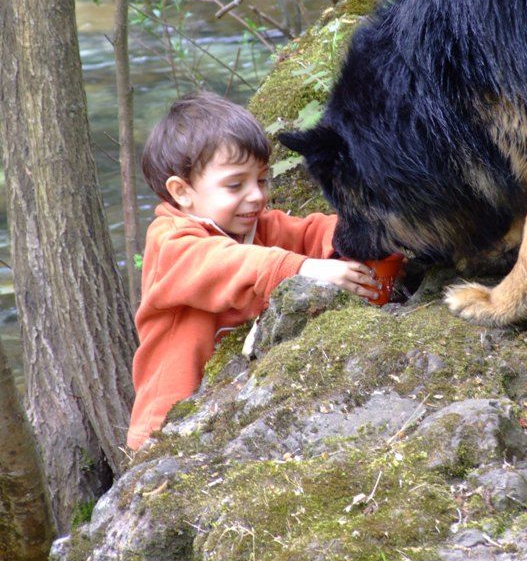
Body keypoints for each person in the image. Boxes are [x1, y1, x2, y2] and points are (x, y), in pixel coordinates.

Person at [127, 92, 391, 450]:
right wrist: (303, 268)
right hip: (165, 423)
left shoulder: (259, 226)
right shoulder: (171, 241)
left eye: (262, 180)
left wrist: (371, 234)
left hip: (224, 406)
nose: (256, 196)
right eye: (236, 184)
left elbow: (313, 231)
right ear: (182, 192)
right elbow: (224, 263)